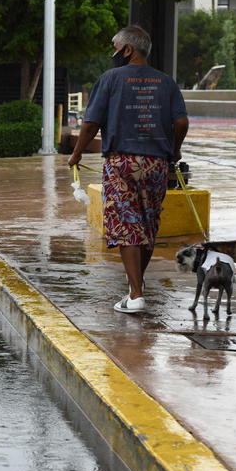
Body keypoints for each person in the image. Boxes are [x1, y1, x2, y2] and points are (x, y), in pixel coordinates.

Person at [67, 25, 190, 313]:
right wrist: (174, 151)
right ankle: (138, 285)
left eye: (115, 48)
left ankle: (135, 295)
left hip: (121, 162)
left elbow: (91, 123)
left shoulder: (110, 79)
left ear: (128, 49)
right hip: (157, 163)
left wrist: (76, 153)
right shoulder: (166, 83)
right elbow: (181, 122)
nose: (113, 53)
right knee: (147, 224)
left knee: (126, 224)